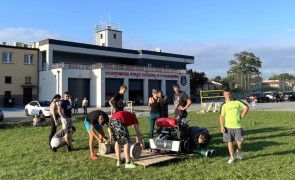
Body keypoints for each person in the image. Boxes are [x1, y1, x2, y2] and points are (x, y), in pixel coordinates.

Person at [219, 88, 249, 164]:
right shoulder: (223, 105)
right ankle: (232, 157)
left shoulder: (237, 102)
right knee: (230, 142)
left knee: (240, 142)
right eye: (226, 94)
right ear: (224, 95)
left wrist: (242, 115)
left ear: (231, 94)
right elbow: (221, 116)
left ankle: (239, 150)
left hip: (238, 126)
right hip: (228, 127)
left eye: (229, 94)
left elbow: (246, 107)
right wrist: (222, 126)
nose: (228, 96)